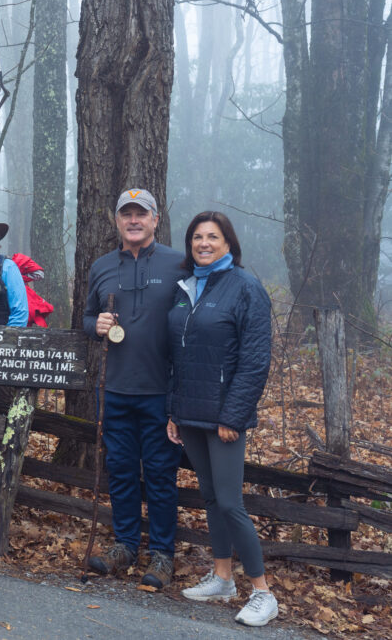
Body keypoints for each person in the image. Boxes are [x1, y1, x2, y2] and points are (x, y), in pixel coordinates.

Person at [166, 211, 277, 627]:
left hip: (224, 416)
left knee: (231, 503)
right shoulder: (186, 286)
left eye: (213, 237)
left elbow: (255, 361)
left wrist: (234, 414)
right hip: (190, 413)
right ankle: (223, 577)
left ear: (228, 243)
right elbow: (177, 356)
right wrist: (173, 412)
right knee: (211, 497)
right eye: (197, 237)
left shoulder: (245, 288)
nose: (204, 243)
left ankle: (263, 593)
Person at [83, 188, 185, 588]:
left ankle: (162, 554)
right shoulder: (102, 266)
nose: (134, 220)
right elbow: (88, 318)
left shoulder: (179, 263)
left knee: (160, 475)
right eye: (126, 214)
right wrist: (97, 327)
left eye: (141, 214)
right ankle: (124, 545)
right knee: (122, 471)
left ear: (155, 219)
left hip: (161, 390)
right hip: (114, 389)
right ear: (117, 221)